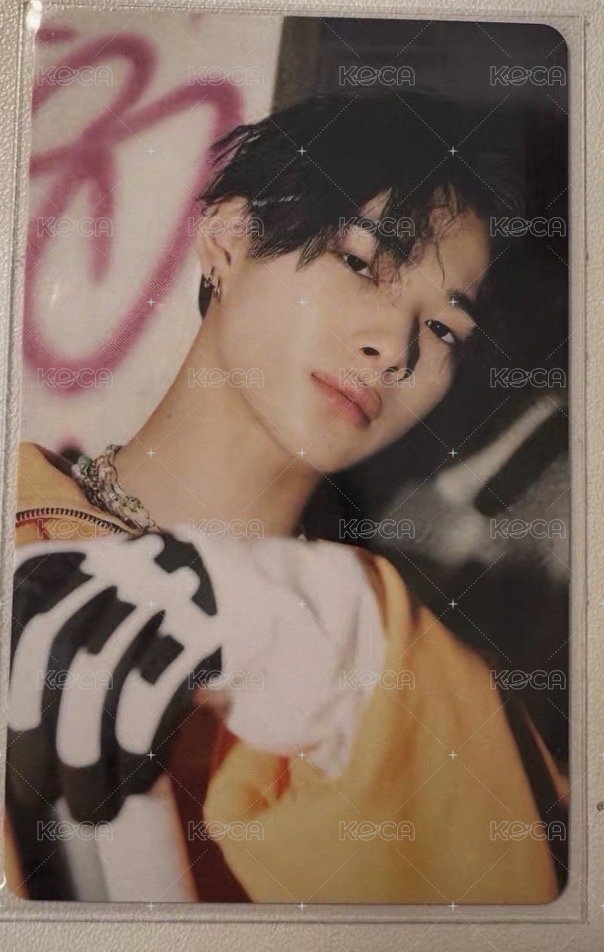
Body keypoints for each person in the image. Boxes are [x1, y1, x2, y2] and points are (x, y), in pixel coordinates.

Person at [7, 91, 569, 903]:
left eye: (445, 329)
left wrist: (328, 631)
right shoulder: (21, 537)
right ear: (229, 238)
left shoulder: (402, 681)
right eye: (362, 263)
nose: (394, 348)